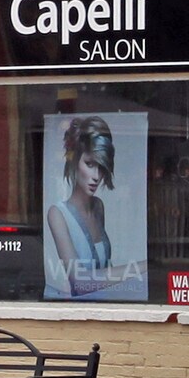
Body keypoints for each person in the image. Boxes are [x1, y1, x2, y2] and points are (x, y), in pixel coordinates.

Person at [46, 116, 118, 298]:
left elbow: (104, 269)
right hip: (70, 312)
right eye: (90, 164)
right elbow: (79, 283)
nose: (96, 176)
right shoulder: (57, 214)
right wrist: (141, 269)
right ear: (75, 161)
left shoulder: (98, 207)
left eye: (101, 167)